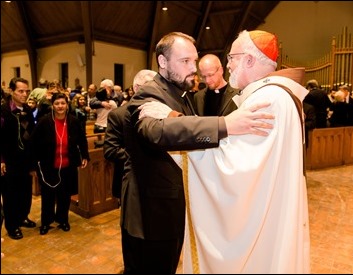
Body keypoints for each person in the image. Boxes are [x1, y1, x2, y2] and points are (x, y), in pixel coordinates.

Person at [140, 30, 311, 273]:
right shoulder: (276, 95)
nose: (228, 64)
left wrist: (170, 119)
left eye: (232, 58)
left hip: (261, 220)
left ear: (250, 60)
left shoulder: (268, 99)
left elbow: (233, 167)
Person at [120, 31, 274, 274]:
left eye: (194, 60)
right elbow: (156, 131)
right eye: (185, 62)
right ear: (162, 62)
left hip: (169, 210)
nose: (193, 68)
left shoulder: (179, 93)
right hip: (151, 214)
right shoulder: (150, 93)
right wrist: (225, 125)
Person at [30, 92, 89, 235]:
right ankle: (46, 222)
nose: (60, 106)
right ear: (52, 105)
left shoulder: (73, 121)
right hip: (48, 165)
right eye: (57, 104)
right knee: (48, 196)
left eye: (63, 103)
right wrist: (33, 164)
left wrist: (85, 155)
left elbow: (82, 139)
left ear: (67, 105)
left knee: (65, 195)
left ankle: (63, 220)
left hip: (67, 165)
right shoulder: (44, 121)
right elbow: (33, 143)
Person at [104, 69, 157, 200]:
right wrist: (141, 155)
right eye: (152, 86)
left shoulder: (159, 111)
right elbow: (111, 150)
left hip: (156, 181)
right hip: (129, 180)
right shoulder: (118, 114)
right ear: (136, 88)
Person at [1, 77, 37, 240]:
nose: (24, 94)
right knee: (10, 194)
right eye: (20, 91)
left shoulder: (28, 110)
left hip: (25, 159)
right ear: (11, 91)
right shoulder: (4, 111)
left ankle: (22, 217)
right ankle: (12, 225)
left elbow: (31, 135)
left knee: (25, 191)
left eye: (26, 91)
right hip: (9, 160)